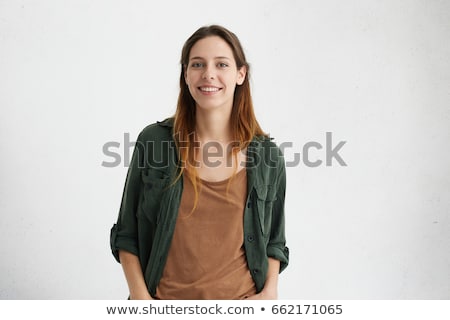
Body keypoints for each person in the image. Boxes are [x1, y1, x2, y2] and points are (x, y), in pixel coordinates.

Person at [110, 24, 289, 300]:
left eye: (222, 64)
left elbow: (275, 241)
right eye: (197, 64)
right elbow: (126, 233)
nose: (209, 74)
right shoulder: (154, 142)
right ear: (185, 74)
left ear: (241, 74)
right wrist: (141, 301)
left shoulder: (268, 156)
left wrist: (269, 294)